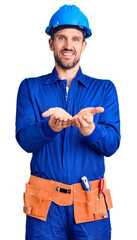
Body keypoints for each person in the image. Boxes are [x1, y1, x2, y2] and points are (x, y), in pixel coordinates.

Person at [16, 4, 121, 240]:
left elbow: (112, 144)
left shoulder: (104, 89)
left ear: (84, 45)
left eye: (75, 39)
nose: (68, 45)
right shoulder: (30, 88)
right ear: (51, 43)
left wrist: (92, 130)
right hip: (44, 208)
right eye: (61, 37)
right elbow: (24, 140)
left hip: (90, 205)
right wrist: (49, 128)